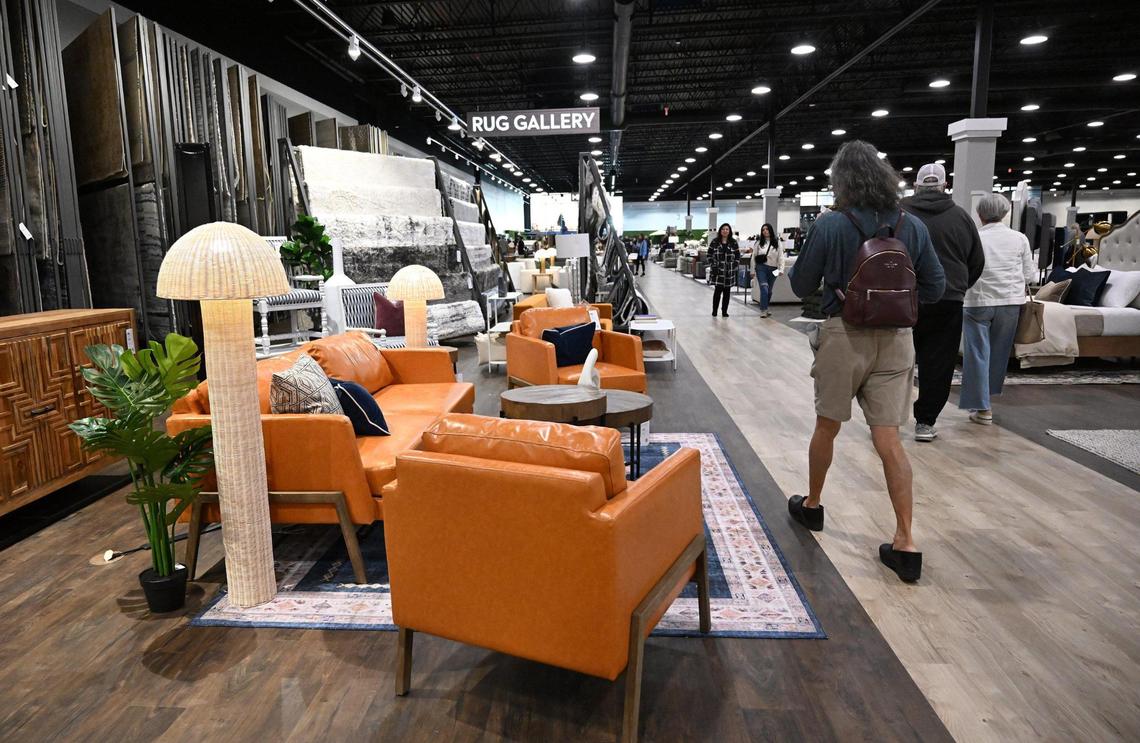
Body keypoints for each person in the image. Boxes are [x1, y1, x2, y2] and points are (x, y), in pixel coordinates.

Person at [786, 140, 945, 583]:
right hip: (896, 341)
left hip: (844, 335)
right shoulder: (911, 225)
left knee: (827, 425)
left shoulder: (831, 224)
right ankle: (906, 541)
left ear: (841, 181)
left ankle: (813, 505)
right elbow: (935, 287)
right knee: (889, 439)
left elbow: (800, 284)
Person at [901, 163, 985, 442]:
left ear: (915, 186)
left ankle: (885, 420)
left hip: (902, 298)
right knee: (938, 363)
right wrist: (958, 287)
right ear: (944, 186)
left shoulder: (898, 214)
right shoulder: (961, 217)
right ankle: (925, 422)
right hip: (947, 299)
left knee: (894, 360)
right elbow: (976, 261)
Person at [959, 193, 1035, 425]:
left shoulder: (973, 238)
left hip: (977, 301)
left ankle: (983, 408)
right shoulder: (1019, 238)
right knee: (998, 353)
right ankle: (987, 400)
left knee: (977, 354)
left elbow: (965, 269)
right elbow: (1029, 275)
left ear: (979, 214)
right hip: (1010, 301)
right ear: (1005, 213)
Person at [750, 223, 784, 318]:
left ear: (770, 230)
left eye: (767, 229)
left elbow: (781, 256)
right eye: (763, 229)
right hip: (761, 268)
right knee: (764, 288)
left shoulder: (777, 242)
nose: (765, 231)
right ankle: (763, 310)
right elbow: (753, 257)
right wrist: (752, 271)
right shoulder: (758, 243)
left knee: (769, 291)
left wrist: (781, 268)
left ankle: (766, 307)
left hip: (774, 269)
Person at [708, 223, 740, 317]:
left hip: (729, 271)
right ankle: (714, 310)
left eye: (727, 229)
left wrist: (735, 264)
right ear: (720, 231)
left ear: (729, 231)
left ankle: (724, 311)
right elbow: (709, 255)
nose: (725, 231)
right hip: (718, 270)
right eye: (723, 229)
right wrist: (713, 265)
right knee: (717, 291)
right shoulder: (715, 242)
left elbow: (737, 255)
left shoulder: (733, 242)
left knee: (727, 292)